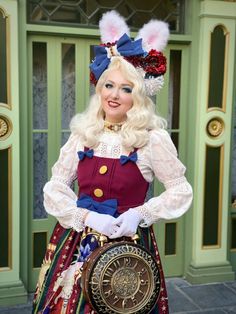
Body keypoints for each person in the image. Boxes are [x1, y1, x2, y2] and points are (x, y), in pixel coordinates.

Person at [32, 11, 193, 314]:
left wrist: (140, 214)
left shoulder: (151, 139)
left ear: (139, 95)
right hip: (76, 241)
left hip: (128, 245)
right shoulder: (84, 134)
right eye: (109, 85)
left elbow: (180, 190)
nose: (114, 95)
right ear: (99, 88)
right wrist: (86, 218)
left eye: (126, 88)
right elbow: (54, 186)